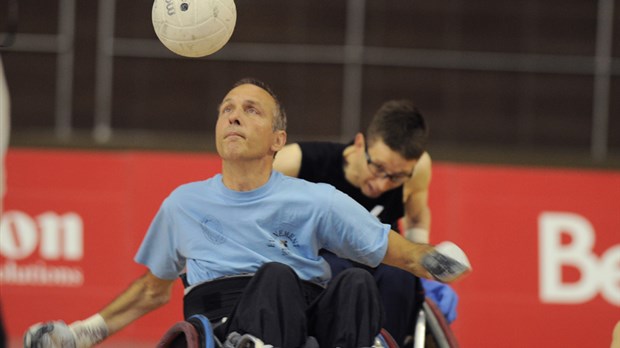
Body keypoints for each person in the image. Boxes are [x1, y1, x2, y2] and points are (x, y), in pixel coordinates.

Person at [24, 78, 465, 348]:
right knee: (274, 276)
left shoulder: (315, 199)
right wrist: (80, 335)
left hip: (306, 308)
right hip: (226, 314)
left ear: (278, 139)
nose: (234, 116)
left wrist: (436, 261)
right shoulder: (183, 204)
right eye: (227, 110)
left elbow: (396, 250)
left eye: (250, 110)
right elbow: (151, 291)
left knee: (354, 281)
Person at [273, 99, 458, 345]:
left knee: (400, 276)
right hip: (322, 261)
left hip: (382, 261)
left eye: (395, 177)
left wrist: (421, 269)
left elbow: (415, 216)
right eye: (378, 167)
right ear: (360, 144)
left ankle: (386, 343)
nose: (382, 184)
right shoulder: (297, 162)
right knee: (336, 271)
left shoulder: (417, 168)